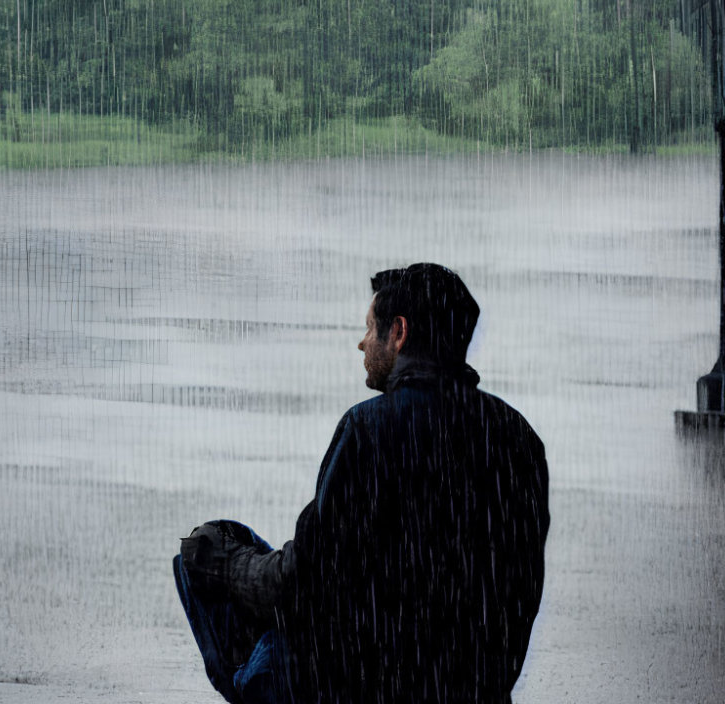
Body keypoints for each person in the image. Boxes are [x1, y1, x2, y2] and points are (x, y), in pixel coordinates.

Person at [174, 263, 549, 704]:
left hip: (366, 688)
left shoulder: (369, 429)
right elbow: (518, 589)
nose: (362, 342)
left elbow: (299, 587)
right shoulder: (518, 438)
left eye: (370, 328)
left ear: (399, 332)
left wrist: (224, 563)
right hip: (473, 688)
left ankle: (256, 685)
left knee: (207, 550)